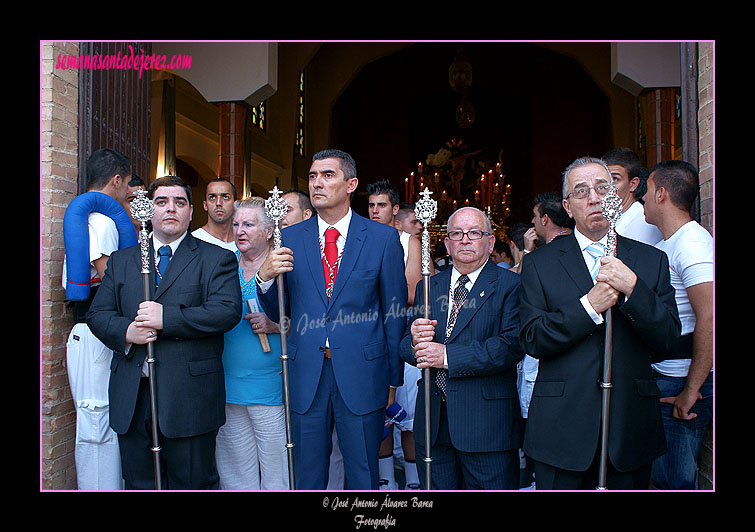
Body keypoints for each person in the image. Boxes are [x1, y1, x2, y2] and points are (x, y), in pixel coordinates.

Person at [518, 156, 681, 490]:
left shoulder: (651, 260)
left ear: (615, 196)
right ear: (568, 205)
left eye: (602, 187)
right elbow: (532, 338)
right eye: (581, 191)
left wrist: (634, 290)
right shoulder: (539, 264)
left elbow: (667, 340)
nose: (593, 197)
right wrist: (589, 308)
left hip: (629, 425)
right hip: (561, 427)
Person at [255, 149, 407, 490]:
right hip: (306, 370)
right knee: (306, 474)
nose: (317, 183)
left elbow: (394, 314)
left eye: (327, 175)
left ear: (351, 184)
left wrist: (392, 382)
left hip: (364, 371)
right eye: (312, 176)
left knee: (363, 473)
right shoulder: (288, 237)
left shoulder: (382, 239)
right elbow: (281, 312)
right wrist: (263, 280)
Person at [87, 175, 242, 490]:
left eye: (179, 202)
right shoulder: (122, 261)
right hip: (133, 395)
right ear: (148, 209)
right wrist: (127, 331)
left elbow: (226, 312)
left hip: (189, 398)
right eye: (161, 202)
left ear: (189, 212)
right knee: (139, 483)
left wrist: (166, 318)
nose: (170, 209)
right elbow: (98, 314)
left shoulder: (216, 259)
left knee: (192, 483)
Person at [401, 206, 524, 490]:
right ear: (447, 243)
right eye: (457, 234)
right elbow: (406, 346)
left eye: (474, 233)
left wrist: (446, 356)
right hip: (433, 425)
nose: (465, 240)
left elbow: (511, 346)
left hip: (486, 427)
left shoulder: (510, 285)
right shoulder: (429, 286)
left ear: (490, 242)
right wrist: (416, 342)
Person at [63, 148, 133, 490]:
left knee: (103, 420)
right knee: (96, 420)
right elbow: (111, 276)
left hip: (97, 330)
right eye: (129, 184)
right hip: (94, 330)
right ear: (116, 180)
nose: (130, 192)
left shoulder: (96, 216)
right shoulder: (103, 220)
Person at [643, 160, 713, 490]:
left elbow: (710, 316)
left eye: (645, 191)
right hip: (665, 377)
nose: (642, 199)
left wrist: (692, 389)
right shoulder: (665, 246)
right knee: (660, 476)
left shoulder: (693, 243)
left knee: (676, 481)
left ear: (661, 194)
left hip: (682, 381)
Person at [215, 197, 289, 490]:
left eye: (249, 224)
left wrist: (276, 325)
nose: (239, 230)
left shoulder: (284, 264)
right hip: (228, 384)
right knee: (234, 472)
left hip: (270, 387)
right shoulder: (223, 264)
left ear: (270, 231)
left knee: (276, 472)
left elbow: (310, 322)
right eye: (236, 224)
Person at [366, 178, 424, 490]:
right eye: (371, 205)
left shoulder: (407, 241)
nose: (375, 211)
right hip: (369, 334)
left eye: (382, 205)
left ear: (395, 209)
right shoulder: (358, 240)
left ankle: (413, 482)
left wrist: (370, 290)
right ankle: (385, 482)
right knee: (380, 412)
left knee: (409, 411)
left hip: (402, 333)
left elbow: (411, 289)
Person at [602, 148, 663, 246]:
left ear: (633, 184)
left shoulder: (642, 223)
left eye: (615, 179)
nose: (607, 185)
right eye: (603, 179)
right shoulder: (606, 217)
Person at [191, 178, 238, 252]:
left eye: (225, 197)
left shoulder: (244, 240)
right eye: (212, 198)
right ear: (205, 205)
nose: (218, 203)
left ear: (235, 204)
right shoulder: (194, 241)